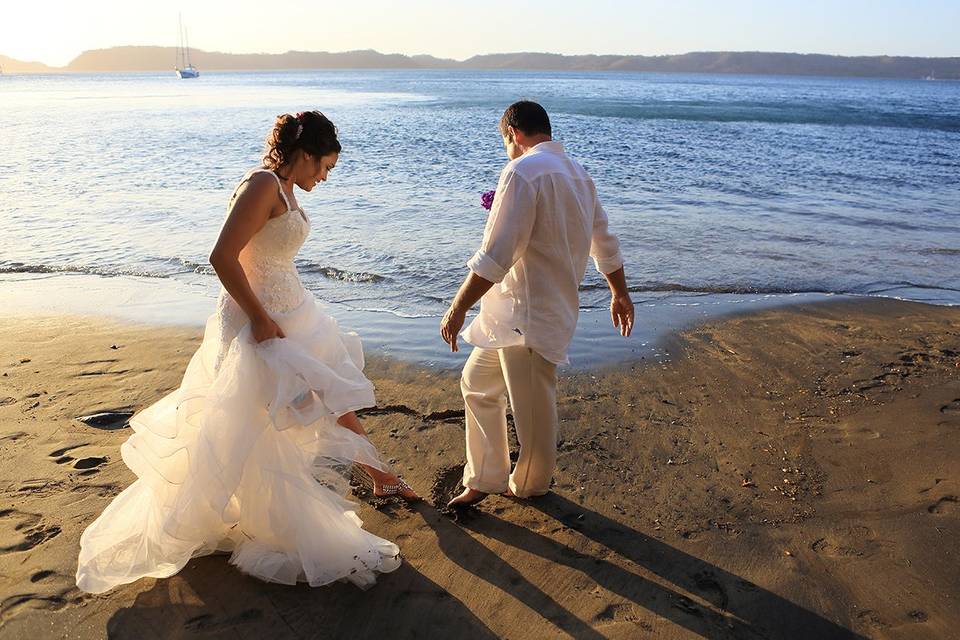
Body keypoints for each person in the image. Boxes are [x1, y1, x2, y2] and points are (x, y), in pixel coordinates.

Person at [76, 111, 416, 595]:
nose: (324, 178)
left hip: (291, 310)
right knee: (263, 417)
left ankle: (380, 475)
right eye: (324, 167)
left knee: (322, 391)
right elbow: (222, 255)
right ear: (305, 154)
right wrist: (258, 317)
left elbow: (268, 254)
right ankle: (324, 495)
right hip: (259, 321)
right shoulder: (261, 185)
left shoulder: (286, 190)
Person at [441, 100, 634, 507]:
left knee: (533, 411)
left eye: (504, 142)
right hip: (529, 309)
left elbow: (497, 254)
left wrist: (458, 307)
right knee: (477, 384)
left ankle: (531, 485)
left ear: (513, 133)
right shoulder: (579, 174)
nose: (506, 150)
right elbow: (606, 243)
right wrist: (620, 292)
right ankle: (484, 478)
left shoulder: (522, 170)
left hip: (527, 314)